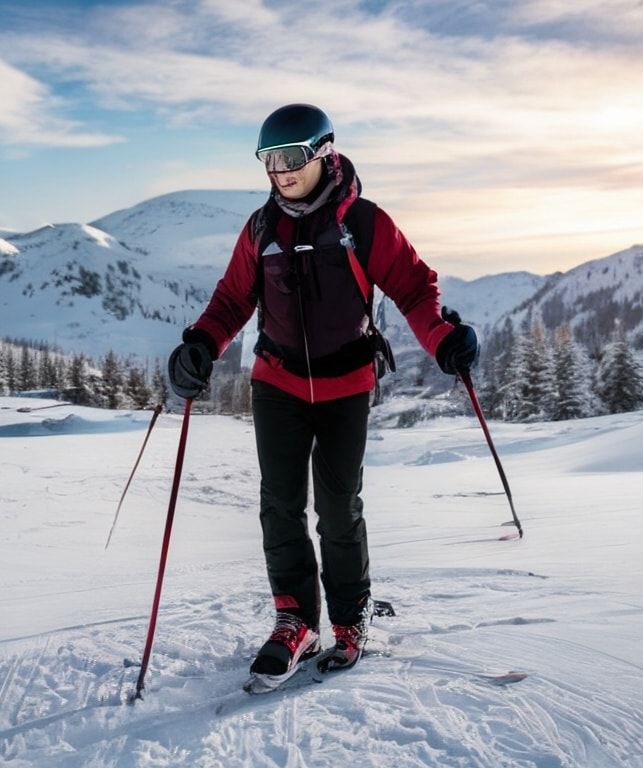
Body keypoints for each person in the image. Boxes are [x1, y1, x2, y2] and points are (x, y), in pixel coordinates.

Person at [168, 103, 478, 689]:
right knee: (279, 505)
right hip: (278, 382)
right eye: (269, 160)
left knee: (337, 506)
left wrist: (442, 338)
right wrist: (200, 345)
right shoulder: (261, 229)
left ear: (324, 152)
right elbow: (232, 300)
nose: (279, 171)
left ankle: (350, 618)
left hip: (346, 385)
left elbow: (414, 287)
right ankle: (295, 621)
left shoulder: (361, 222)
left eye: (290, 157)